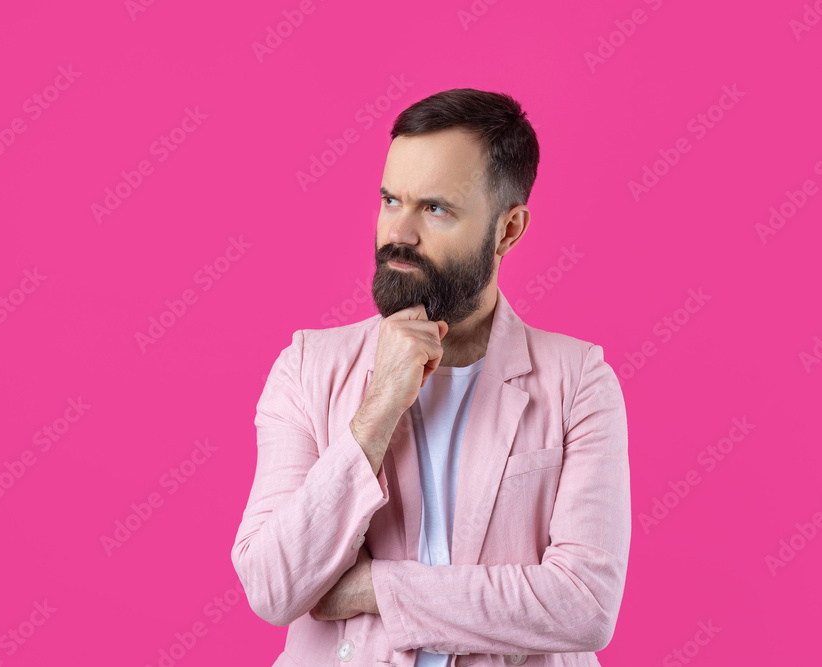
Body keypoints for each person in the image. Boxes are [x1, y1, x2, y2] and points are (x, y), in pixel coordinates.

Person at [231, 88, 631, 667]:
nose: (400, 232)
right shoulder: (306, 367)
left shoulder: (579, 383)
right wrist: (378, 409)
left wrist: (373, 589)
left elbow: (584, 605)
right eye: (391, 200)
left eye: (436, 209)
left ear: (508, 230)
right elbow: (272, 587)